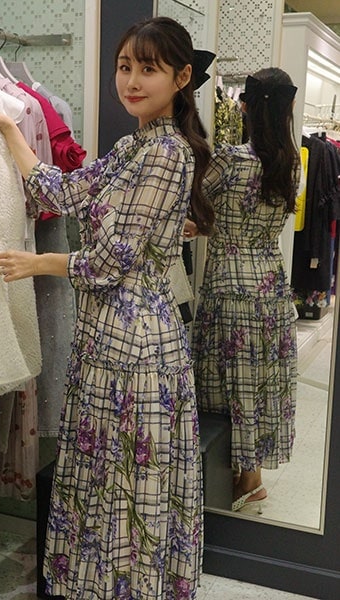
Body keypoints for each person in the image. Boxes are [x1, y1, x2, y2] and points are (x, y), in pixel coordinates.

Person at [0, 16, 215, 598]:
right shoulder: (133, 146)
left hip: (139, 346)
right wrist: (9, 126)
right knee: (106, 477)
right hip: (106, 337)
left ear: (181, 78)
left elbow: (111, 260)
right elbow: (59, 190)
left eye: (147, 69)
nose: (131, 81)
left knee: (126, 479)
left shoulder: (168, 153)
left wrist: (38, 263)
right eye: (124, 67)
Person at [190, 67, 300, 513]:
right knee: (259, 382)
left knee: (228, 386)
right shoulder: (290, 162)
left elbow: (193, 203)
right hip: (272, 290)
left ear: (246, 107)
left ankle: (245, 478)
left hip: (230, 289)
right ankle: (250, 475)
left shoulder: (231, 159)